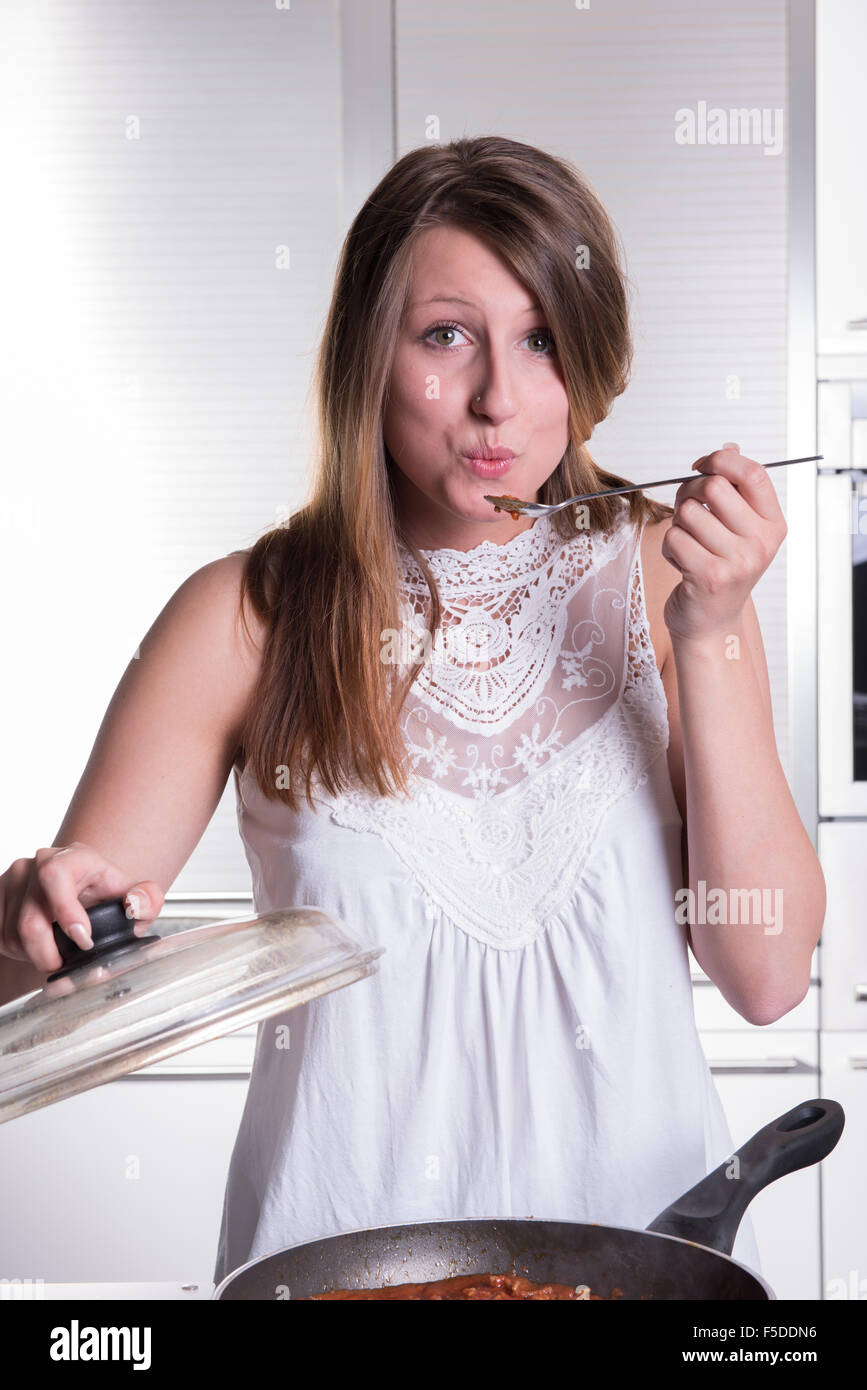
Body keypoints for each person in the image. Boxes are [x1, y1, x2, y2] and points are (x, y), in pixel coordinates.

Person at [0, 136, 825, 1292]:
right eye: (447, 336)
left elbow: (769, 971)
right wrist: (26, 909)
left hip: (644, 1271)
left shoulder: (673, 579)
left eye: (541, 341)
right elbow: (48, 967)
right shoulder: (247, 615)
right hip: (336, 1273)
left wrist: (715, 624)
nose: (498, 397)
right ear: (366, 358)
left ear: (586, 363)